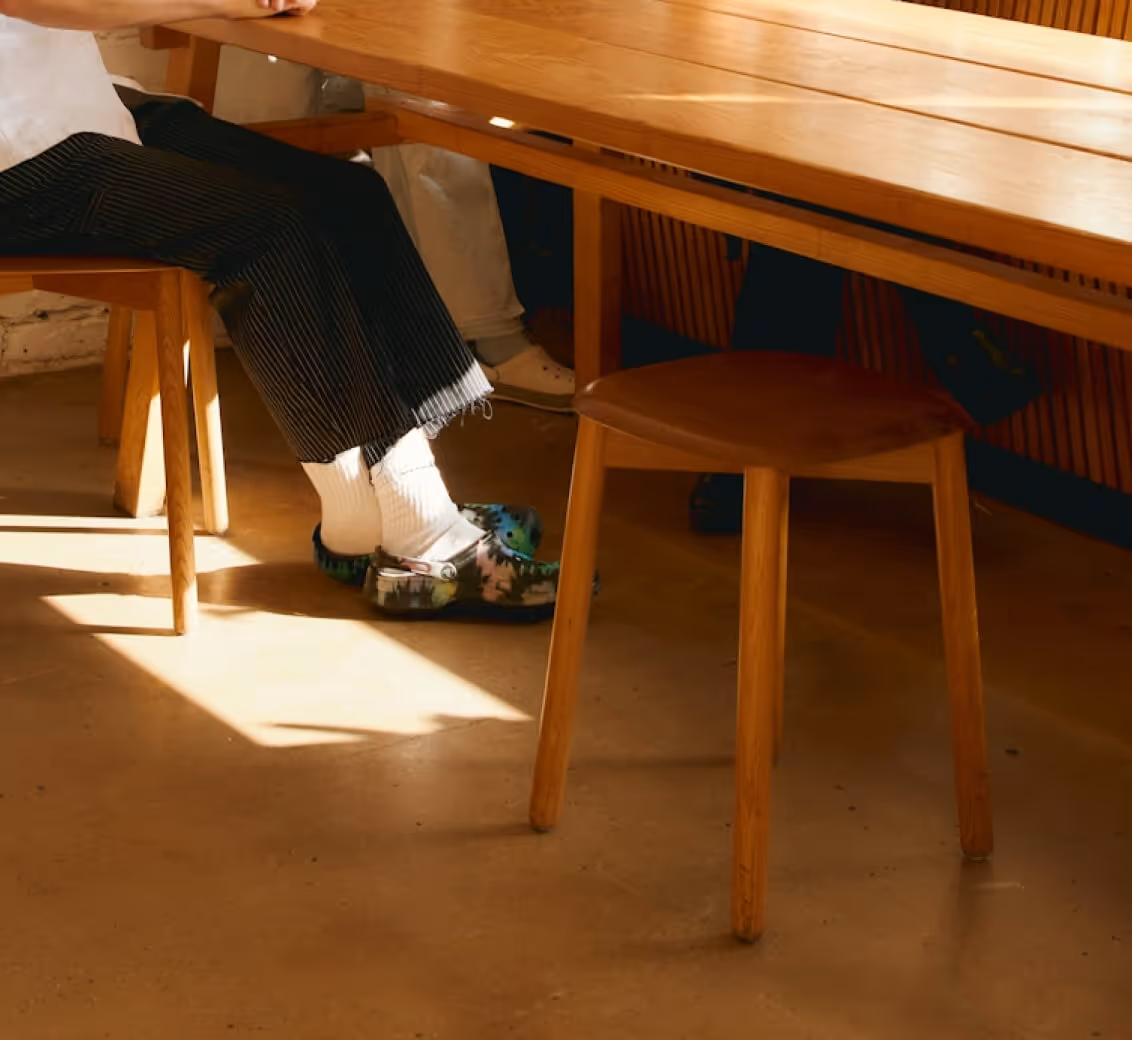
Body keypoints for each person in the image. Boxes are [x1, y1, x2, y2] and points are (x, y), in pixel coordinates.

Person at [0, 0, 563, 619]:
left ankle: (360, 525)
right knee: (274, 230)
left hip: (64, 103)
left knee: (348, 194)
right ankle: (424, 536)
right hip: (15, 160)